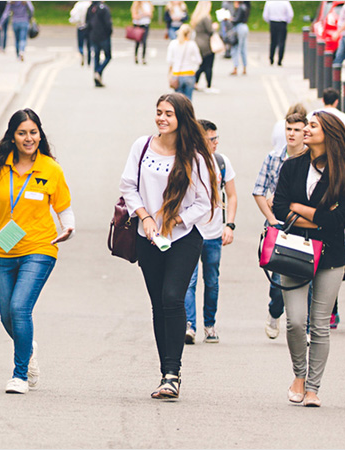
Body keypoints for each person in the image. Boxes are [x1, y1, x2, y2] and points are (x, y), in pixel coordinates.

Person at [0, 109, 75, 394]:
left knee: (20, 308)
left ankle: (20, 375)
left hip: (41, 247)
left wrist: (68, 228)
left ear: (39, 134)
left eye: (33, 132)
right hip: (7, 248)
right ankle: (27, 347)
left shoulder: (50, 169)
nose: (28, 138)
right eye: (22, 133)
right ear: (13, 136)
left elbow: (64, 208)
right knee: (8, 314)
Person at [118, 93, 217, 399]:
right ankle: (166, 374)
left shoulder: (196, 158)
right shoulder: (142, 146)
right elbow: (128, 187)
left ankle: (173, 372)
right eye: (158, 112)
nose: (161, 118)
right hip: (148, 237)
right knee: (159, 304)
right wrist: (145, 218)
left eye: (168, 114)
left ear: (181, 119)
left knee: (173, 297)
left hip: (183, 238)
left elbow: (204, 202)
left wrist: (176, 221)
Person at [272, 111, 345, 407]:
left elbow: (337, 221)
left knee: (320, 325)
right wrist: (316, 219)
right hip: (294, 249)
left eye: (312, 126)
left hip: (331, 256)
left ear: (330, 134)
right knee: (296, 321)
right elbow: (281, 207)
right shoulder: (292, 166)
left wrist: (304, 213)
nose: (305, 130)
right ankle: (299, 374)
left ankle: (312, 388)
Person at [255, 110, 309, 339]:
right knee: (279, 277)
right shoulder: (274, 157)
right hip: (279, 226)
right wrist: (272, 219)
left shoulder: (312, 157)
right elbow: (259, 191)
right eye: (289, 129)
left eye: (297, 130)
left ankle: (304, 326)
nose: (292, 134)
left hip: (305, 226)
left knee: (307, 274)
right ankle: (274, 312)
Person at [184, 119, 236, 344]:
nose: (216, 143)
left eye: (216, 138)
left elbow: (232, 195)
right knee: (189, 280)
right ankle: (189, 325)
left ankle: (209, 324)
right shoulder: (186, 162)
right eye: (211, 139)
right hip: (190, 232)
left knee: (212, 281)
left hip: (214, 233)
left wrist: (229, 224)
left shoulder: (221, 162)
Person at [167, 24, 202, 100]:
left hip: (177, 74)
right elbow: (198, 60)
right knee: (188, 99)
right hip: (189, 73)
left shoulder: (173, 43)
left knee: (178, 100)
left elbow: (169, 60)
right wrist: (193, 66)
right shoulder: (192, 44)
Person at [192, 1, 219, 93]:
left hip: (198, 42)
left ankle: (194, 81)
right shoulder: (205, 17)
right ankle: (208, 85)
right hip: (206, 43)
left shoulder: (197, 17)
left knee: (202, 64)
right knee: (208, 65)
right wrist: (214, 26)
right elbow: (210, 30)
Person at [86, 1, 113, 87]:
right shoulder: (104, 8)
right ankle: (98, 71)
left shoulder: (90, 8)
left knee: (96, 57)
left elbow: (88, 22)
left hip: (93, 36)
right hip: (104, 36)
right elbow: (108, 23)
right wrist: (109, 33)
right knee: (108, 56)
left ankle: (97, 77)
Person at [263, 1, 293, 66]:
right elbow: (290, 14)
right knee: (281, 42)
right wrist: (288, 21)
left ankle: (271, 58)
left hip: (273, 22)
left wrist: (269, 21)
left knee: (273, 41)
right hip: (282, 22)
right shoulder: (285, 2)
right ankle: (280, 59)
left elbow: (265, 15)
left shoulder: (269, 2)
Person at [69, 1, 92, 66]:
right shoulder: (90, 4)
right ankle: (89, 61)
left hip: (80, 26)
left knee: (80, 44)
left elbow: (73, 15)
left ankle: (82, 53)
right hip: (89, 27)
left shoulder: (78, 5)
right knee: (89, 45)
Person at [230, 1, 250, 75]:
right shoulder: (246, 7)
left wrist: (231, 19)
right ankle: (244, 67)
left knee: (236, 48)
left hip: (239, 28)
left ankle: (235, 67)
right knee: (243, 48)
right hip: (245, 27)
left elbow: (237, 19)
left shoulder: (239, 8)